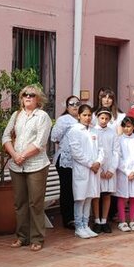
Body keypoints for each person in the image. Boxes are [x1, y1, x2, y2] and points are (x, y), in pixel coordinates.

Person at [3, 85, 52, 251]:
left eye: (32, 95)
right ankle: (22, 237)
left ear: (38, 99)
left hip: (36, 165)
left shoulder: (42, 116)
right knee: (20, 203)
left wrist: (22, 155)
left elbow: (40, 142)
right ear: (21, 98)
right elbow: (5, 136)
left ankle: (37, 238)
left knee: (35, 203)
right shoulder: (16, 115)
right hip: (17, 166)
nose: (28, 97)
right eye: (25, 95)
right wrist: (14, 154)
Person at [68, 104, 103, 238]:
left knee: (89, 197)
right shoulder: (74, 130)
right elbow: (76, 151)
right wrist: (90, 164)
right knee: (80, 198)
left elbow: (101, 149)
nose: (87, 118)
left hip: (94, 170)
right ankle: (78, 227)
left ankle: (86, 225)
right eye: (84, 115)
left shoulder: (95, 131)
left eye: (89, 115)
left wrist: (99, 162)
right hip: (82, 169)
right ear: (79, 116)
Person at [50, 96, 81, 229]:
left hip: (80, 161)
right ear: (67, 107)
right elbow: (54, 137)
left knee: (78, 189)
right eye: (71, 104)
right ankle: (68, 219)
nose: (75, 106)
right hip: (65, 160)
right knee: (67, 189)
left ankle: (78, 216)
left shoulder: (83, 118)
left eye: (77, 103)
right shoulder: (64, 120)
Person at [91, 108, 118, 233]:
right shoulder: (93, 132)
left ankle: (104, 220)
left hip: (109, 168)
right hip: (97, 169)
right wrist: (99, 169)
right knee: (96, 195)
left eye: (107, 119)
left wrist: (112, 169)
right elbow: (92, 151)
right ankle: (96, 220)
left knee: (107, 194)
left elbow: (116, 151)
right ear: (97, 117)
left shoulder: (112, 133)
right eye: (102, 118)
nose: (104, 121)